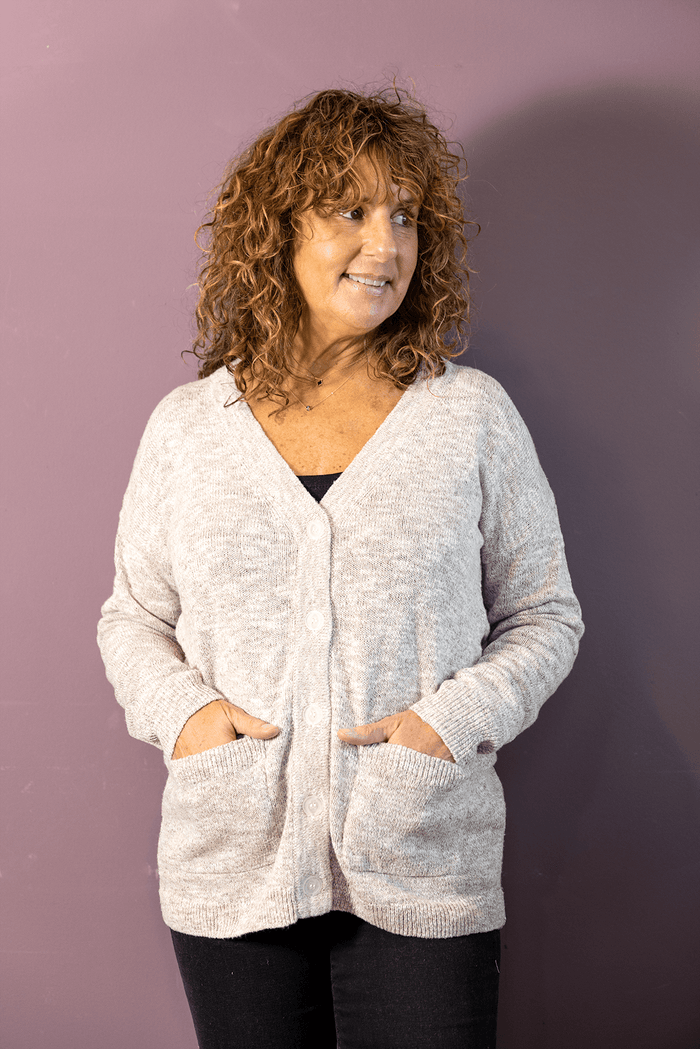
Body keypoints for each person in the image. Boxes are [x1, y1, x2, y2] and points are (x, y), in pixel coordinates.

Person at [97, 83, 584, 1049]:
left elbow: (545, 612)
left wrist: (446, 728)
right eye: (350, 212)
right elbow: (133, 618)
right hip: (232, 859)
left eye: (404, 216)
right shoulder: (190, 430)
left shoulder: (468, 416)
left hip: (421, 851)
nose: (385, 245)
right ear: (277, 231)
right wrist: (190, 721)